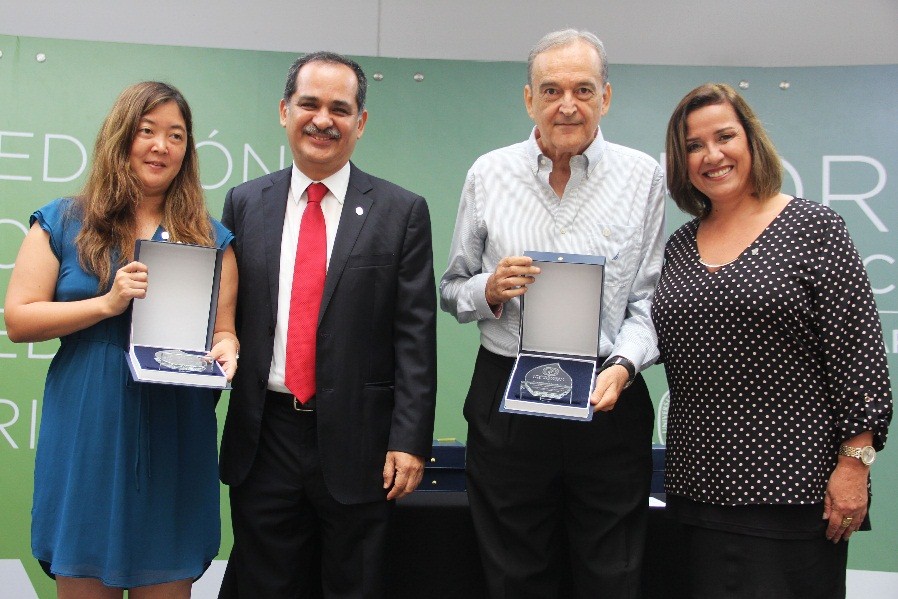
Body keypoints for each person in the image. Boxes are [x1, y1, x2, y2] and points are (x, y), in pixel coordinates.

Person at [440, 29, 666, 598]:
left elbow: (650, 303)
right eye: (552, 89)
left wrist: (624, 365)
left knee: (611, 575)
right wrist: (490, 289)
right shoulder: (488, 174)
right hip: (507, 398)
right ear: (528, 99)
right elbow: (452, 289)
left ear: (606, 97)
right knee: (514, 575)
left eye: (583, 89)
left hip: (607, 396)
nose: (568, 104)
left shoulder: (644, 178)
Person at [652, 82, 893, 598]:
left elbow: (861, 358)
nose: (711, 155)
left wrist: (855, 466)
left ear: (751, 141)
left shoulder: (813, 227)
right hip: (695, 494)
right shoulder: (678, 245)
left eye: (724, 136)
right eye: (694, 145)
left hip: (792, 494)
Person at [4, 81, 239, 598]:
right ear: (120, 138)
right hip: (89, 420)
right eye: (147, 131)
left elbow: (223, 330)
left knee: (167, 570)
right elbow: (18, 320)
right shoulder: (64, 221)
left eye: (175, 136)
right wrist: (106, 304)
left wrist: (228, 349)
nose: (161, 146)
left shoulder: (210, 237)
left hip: (175, 425)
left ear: (187, 150)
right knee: (84, 569)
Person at [217, 51, 437, 599]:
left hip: (361, 443)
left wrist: (410, 440)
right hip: (265, 436)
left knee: (354, 586)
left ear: (360, 122)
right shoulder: (245, 204)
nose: (323, 119)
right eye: (309, 103)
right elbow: (223, 315)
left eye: (340, 108)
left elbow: (415, 338)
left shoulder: (400, 211)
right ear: (284, 110)